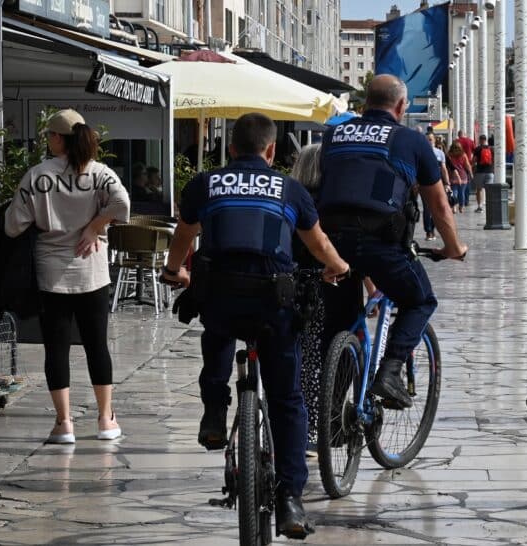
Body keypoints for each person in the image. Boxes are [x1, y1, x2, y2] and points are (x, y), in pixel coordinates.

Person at [161, 113, 349, 538]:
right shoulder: (289, 189)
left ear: (230, 149)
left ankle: (214, 410)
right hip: (273, 303)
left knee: (216, 328)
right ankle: (290, 499)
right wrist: (338, 266)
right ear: (271, 150)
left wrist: (174, 271)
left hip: (221, 298)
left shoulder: (205, 184)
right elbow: (317, 243)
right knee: (288, 399)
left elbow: (183, 235)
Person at [317, 74, 468, 410]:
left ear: (365, 102)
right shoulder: (411, 140)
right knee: (420, 301)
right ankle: (390, 371)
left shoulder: (334, 135)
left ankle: (332, 413)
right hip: (380, 242)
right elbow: (438, 204)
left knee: (339, 323)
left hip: (330, 243)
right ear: (401, 106)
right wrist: (453, 247)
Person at [5, 109, 129, 444]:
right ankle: (106, 419)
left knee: (56, 349)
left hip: (51, 274)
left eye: (49, 135)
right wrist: (94, 226)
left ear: (59, 138)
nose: (47, 140)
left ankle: (64, 423)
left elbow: (13, 226)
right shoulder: (100, 173)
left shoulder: (37, 176)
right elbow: (123, 205)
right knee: (97, 345)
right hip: (92, 272)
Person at [289, 143, 328, 455]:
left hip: (286, 283)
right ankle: (311, 429)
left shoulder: (288, 197)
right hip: (320, 284)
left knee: (291, 358)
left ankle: (284, 428)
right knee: (314, 360)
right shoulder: (327, 202)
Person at [423, 133, 452, 240]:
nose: (429, 142)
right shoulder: (421, 153)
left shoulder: (440, 153)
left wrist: (447, 183)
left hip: (438, 183)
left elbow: (444, 169)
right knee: (427, 209)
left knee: (437, 207)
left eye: (430, 139)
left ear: (434, 140)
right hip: (424, 184)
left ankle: (433, 228)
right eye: (427, 140)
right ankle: (429, 231)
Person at [446, 141, 472, 213]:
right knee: (461, 192)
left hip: (452, 175)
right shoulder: (463, 155)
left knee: (454, 192)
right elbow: (467, 165)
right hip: (463, 175)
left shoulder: (449, 155)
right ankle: (461, 206)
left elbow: (447, 166)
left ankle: (454, 206)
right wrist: (471, 173)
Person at [471, 134, 493, 213]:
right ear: (486, 140)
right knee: (489, 190)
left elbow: (474, 160)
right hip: (490, 172)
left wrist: (472, 167)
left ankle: (480, 207)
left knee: (479, 189)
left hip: (480, 172)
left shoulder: (477, 149)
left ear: (480, 140)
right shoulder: (490, 149)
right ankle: (490, 205)